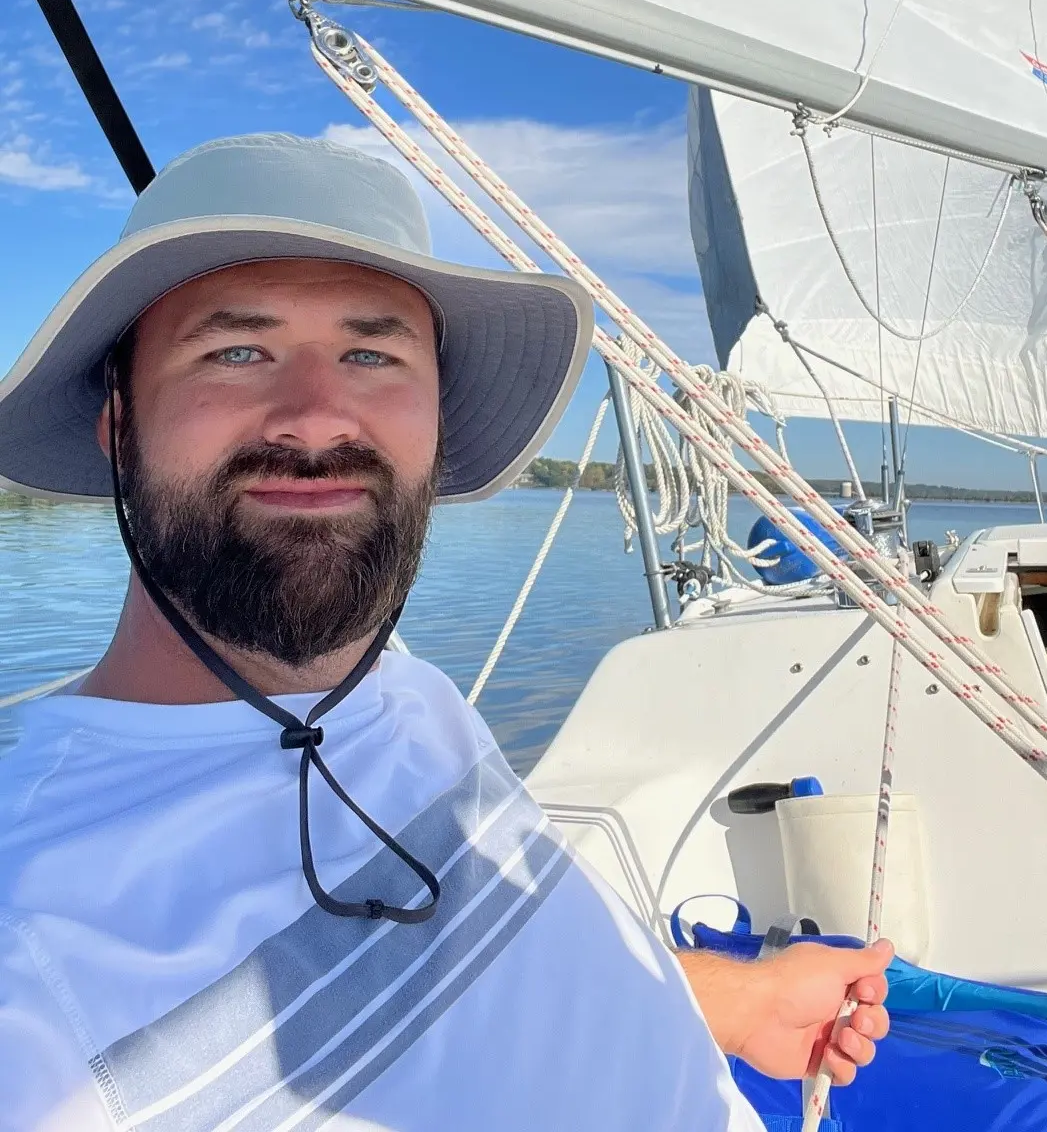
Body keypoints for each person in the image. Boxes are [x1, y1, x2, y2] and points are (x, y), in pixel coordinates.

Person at [0, 133, 890, 1131]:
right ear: (118, 419)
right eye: (235, 349)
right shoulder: (34, 951)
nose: (315, 417)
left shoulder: (402, 690)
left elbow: (479, 961)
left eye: (372, 352)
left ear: (434, 413)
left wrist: (730, 999)